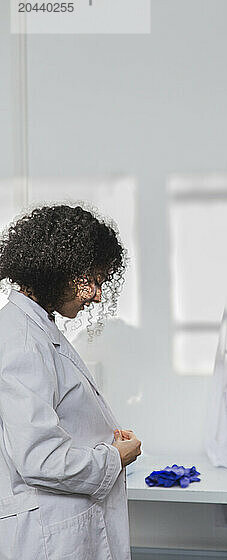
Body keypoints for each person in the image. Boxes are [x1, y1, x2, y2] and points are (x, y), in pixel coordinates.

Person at [0, 204, 142, 560]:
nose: (95, 294)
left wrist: (101, 438)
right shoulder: (22, 339)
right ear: (55, 270)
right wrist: (114, 458)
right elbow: (40, 459)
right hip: (49, 536)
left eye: (99, 282)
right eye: (89, 280)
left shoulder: (36, 327)